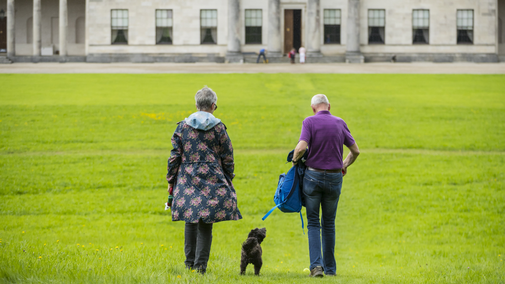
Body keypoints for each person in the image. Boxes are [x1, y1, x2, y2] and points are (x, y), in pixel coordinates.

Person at [166, 86, 242, 274]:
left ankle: (189, 264)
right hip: (212, 178)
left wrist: (171, 179)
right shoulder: (218, 128)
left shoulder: (182, 127)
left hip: (187, 177)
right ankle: (200, 267)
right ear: (214, 106)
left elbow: (174, 156)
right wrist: (228, 177)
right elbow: (228, 157)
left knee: (190, 221)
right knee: (206, 223)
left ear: (196, 105)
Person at [292, 94, 360, 278]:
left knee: (313, 222)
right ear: (329, 106)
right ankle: (331, 269)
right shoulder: (340, 122)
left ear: (313, 108)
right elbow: (355, 151)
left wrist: (294, 161)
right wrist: (344, 164)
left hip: (312, 177)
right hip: (334, 178)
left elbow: (300, 147)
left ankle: (316, 268)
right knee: (329, 223)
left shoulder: (309, 122)